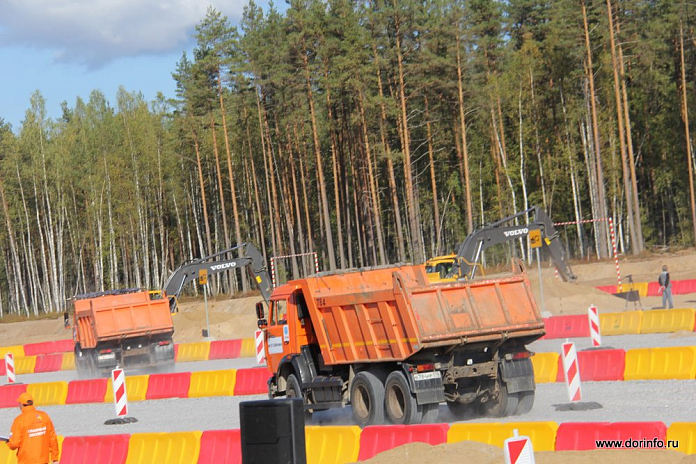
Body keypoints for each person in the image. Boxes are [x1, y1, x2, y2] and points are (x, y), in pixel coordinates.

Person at [7, 393, 59, 464]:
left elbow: (14, 444)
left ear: (21, 404)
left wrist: (9, 443)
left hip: (26, 461)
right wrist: (55, 458)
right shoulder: (44, 416)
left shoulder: (18, 420)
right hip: (42, 460)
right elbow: (52, 438)